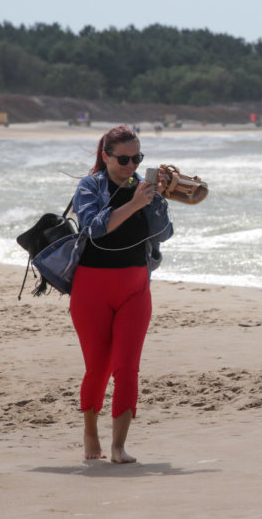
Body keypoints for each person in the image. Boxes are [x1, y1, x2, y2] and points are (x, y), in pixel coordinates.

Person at [70, 124, 173, 463]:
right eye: (124, 159)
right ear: (106, 156)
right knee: (97, 368)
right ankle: (90, 433)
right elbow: (93, 229)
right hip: (92, 287)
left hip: (135, 285)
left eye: (137, 158)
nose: (131, 166)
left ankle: (119, 447)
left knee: (127, 367)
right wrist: (133, 203)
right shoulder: (90, 186)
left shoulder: (143, 188)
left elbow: (163, 234)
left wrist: (157, 197)